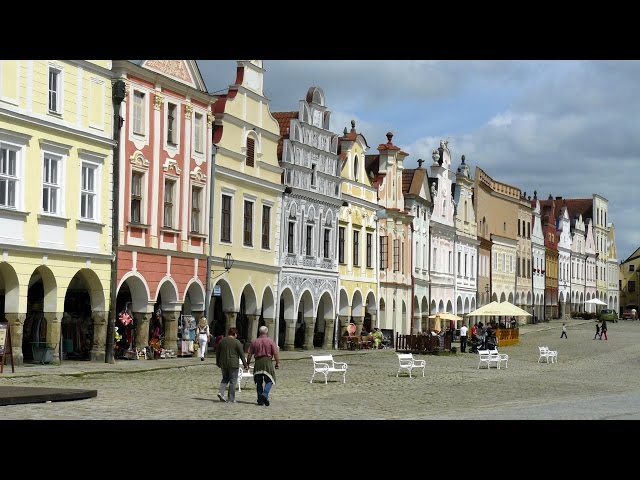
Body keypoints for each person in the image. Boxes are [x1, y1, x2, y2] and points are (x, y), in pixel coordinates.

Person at [246, 325, 280, 406]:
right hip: (267, 362)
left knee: (259, 382)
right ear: (266, 332)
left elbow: (250, 354)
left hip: (258, 362)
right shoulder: (270, 341)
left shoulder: (254, 341)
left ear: (259, 332)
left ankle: (260, 399)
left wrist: (247, 363)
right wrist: (277, 362)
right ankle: (264, 394)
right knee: (270, 380)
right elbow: (275, 353)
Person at [215, 327, 248, 403]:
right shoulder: (237, 342)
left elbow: (218, 352)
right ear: (235, 334)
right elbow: (242, 354)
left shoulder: (222, 341)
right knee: (233, 381)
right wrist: (245, 365)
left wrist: (217, 362)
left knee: (225, 378)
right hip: (233, 363)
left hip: (223, 363)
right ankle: (231, 398)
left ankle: (221, 392)